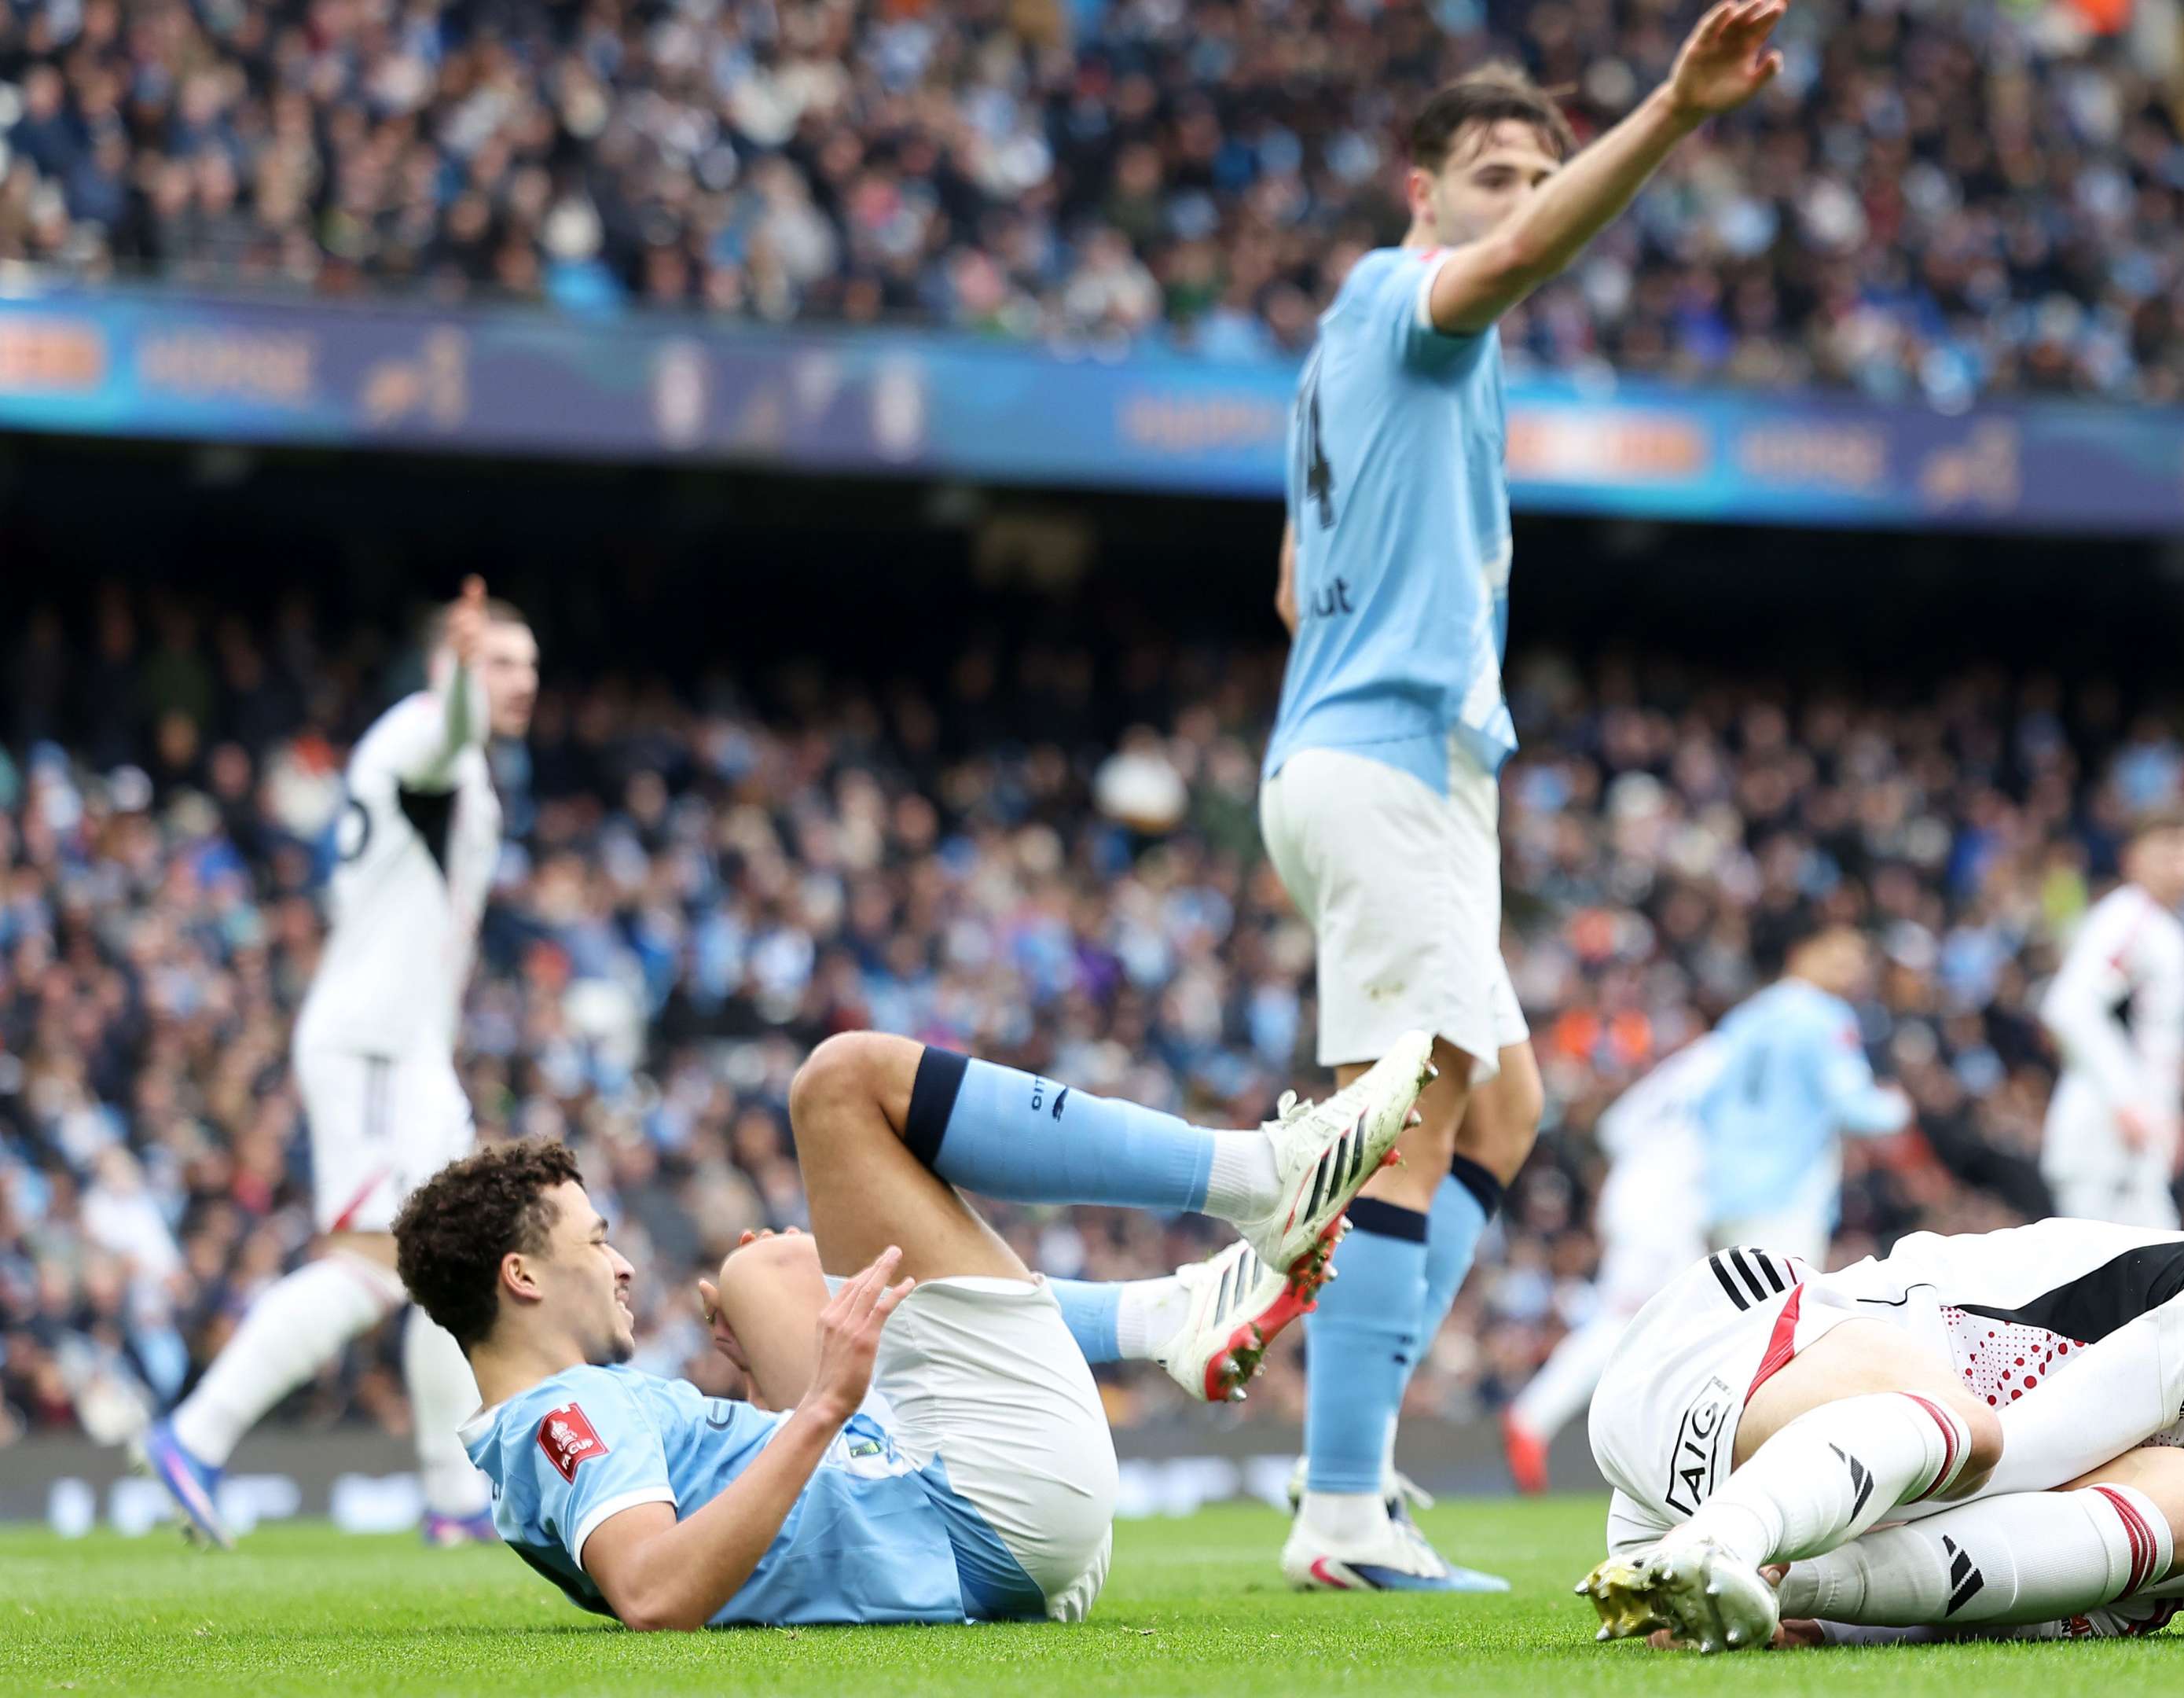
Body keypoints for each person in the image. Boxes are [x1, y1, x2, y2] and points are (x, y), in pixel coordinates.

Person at [1259, 0, 1794, 1592]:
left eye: (1536, 171)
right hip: (1385, 769)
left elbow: (1297, 583)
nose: (1519, 198)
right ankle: (1339, 1508)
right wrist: (1676, 115)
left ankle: (1347, 1465)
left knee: (1503, 1108)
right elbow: (1502, 267)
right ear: (1420, 192)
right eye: (1493, 173)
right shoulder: (1406, 301)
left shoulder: (1381, 360)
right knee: (1409, 1134)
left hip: (1399, 767)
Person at [397, 1029, 1434, 1627]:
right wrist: (822, 1408)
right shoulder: (561, 1418)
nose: (623, 1263)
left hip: (971, 1531)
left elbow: (781, 1561)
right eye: (596, 1241)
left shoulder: (562, 1423)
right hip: (983, 1513)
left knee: (767, 1269)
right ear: (522, 1275)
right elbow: (655, 1592)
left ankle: (1166, 1314)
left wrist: (775, 1399)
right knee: (840, 1085)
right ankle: (1260, 1179)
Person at [1574, 1219, 2184, 1650]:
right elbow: (2029, 1442)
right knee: (1981, 1436)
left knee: (2178, 1502)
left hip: (1716, 1490)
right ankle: (1727, 1553)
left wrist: (1820, 1624)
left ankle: (1710, 1570)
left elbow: (1958, 1605)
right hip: (1732, 1346)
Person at [139, 578, 539, 1548]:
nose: (519, 682)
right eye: (497, 663)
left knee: (463, 1259)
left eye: (528, 665)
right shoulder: (423, 733)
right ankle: (196, 1435)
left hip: (408, 1048)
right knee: (370, 1267)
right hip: (369, 1042)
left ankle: (453, 1501)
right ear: (451, 666)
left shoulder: (455, 757)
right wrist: (455, 685)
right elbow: (447, 731)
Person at [1500, 928, 1908, 1490]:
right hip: (1719, 1203)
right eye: (1840, 953)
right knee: (1741, 1332)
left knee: (1711, 1331)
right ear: (1800, 952)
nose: (1851, 968)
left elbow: (1629, 1125)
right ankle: (1741, 1469)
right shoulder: (1818, 1021)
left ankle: (1692, 1459)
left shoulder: (1741, 1028)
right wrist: (1899, 1106)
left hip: (1701, 1200)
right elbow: (1856, 1105)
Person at [2037, 811, 2184, 1229]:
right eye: (2168, 847)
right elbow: (2068, 1006)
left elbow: (2155, 1039)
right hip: (2104, 1134)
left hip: (2132, 1140)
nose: (2182, 859)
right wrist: (2129, 1100)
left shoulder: (2164, 926)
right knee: (2127, 1283)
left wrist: (2167, 1112)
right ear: (2133, 858)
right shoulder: (2128, 916)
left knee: (2152, 1280)